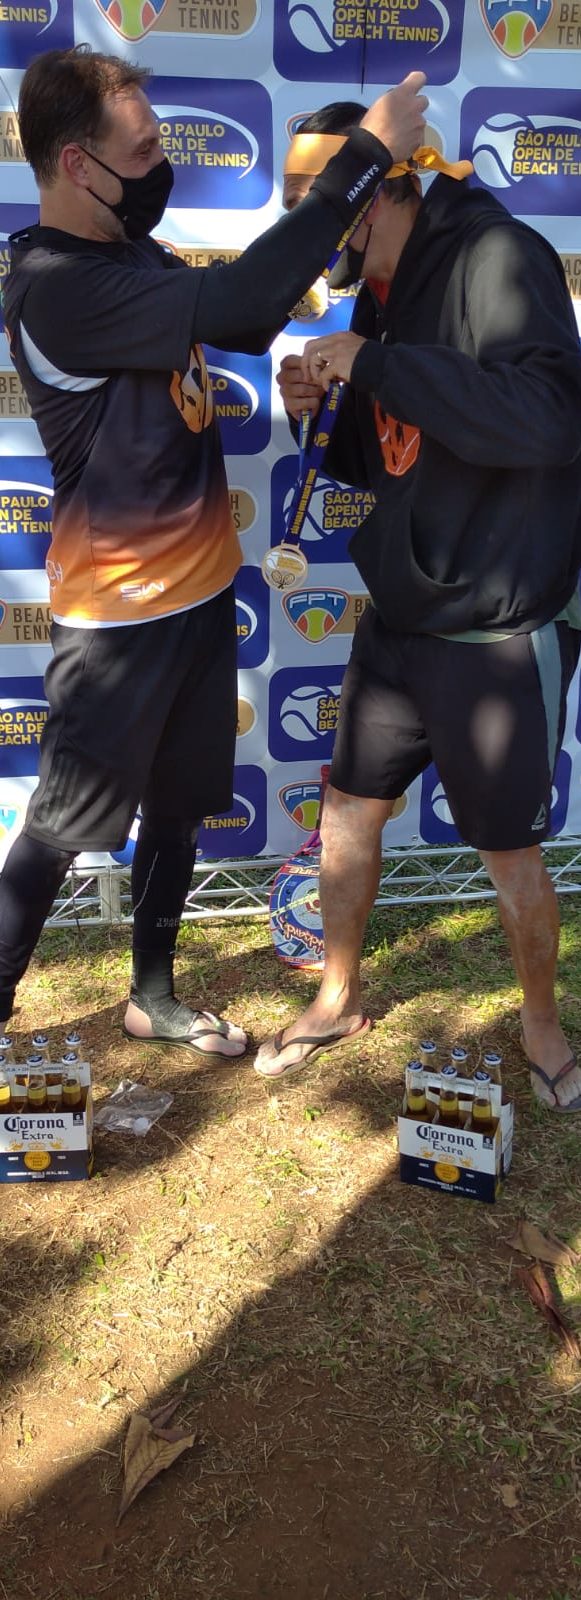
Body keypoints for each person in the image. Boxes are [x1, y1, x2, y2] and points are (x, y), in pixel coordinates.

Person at [0, 48, 429, 1057]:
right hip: (119, 614)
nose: (162, 166)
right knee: (61, 826)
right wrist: (364, 157)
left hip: (198, 591)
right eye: (142, 151)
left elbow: (238, 306)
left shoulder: (130, 252)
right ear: (76, 164)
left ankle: (151, 996)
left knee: (181, 808)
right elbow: (236, 307)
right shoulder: (54, 285)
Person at [255, 142, 581, 1112]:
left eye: (322, 210)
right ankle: (336, 996)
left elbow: (546, 421)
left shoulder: (497, 255)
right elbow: (384, 457)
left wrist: (378, 364)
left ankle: (540, 1023)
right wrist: (322, 413)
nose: (314, 237)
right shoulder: (379, 295)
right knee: (348, 815)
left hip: (493, 632)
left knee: (509, 855)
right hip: (398, 616)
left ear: (374, 196)